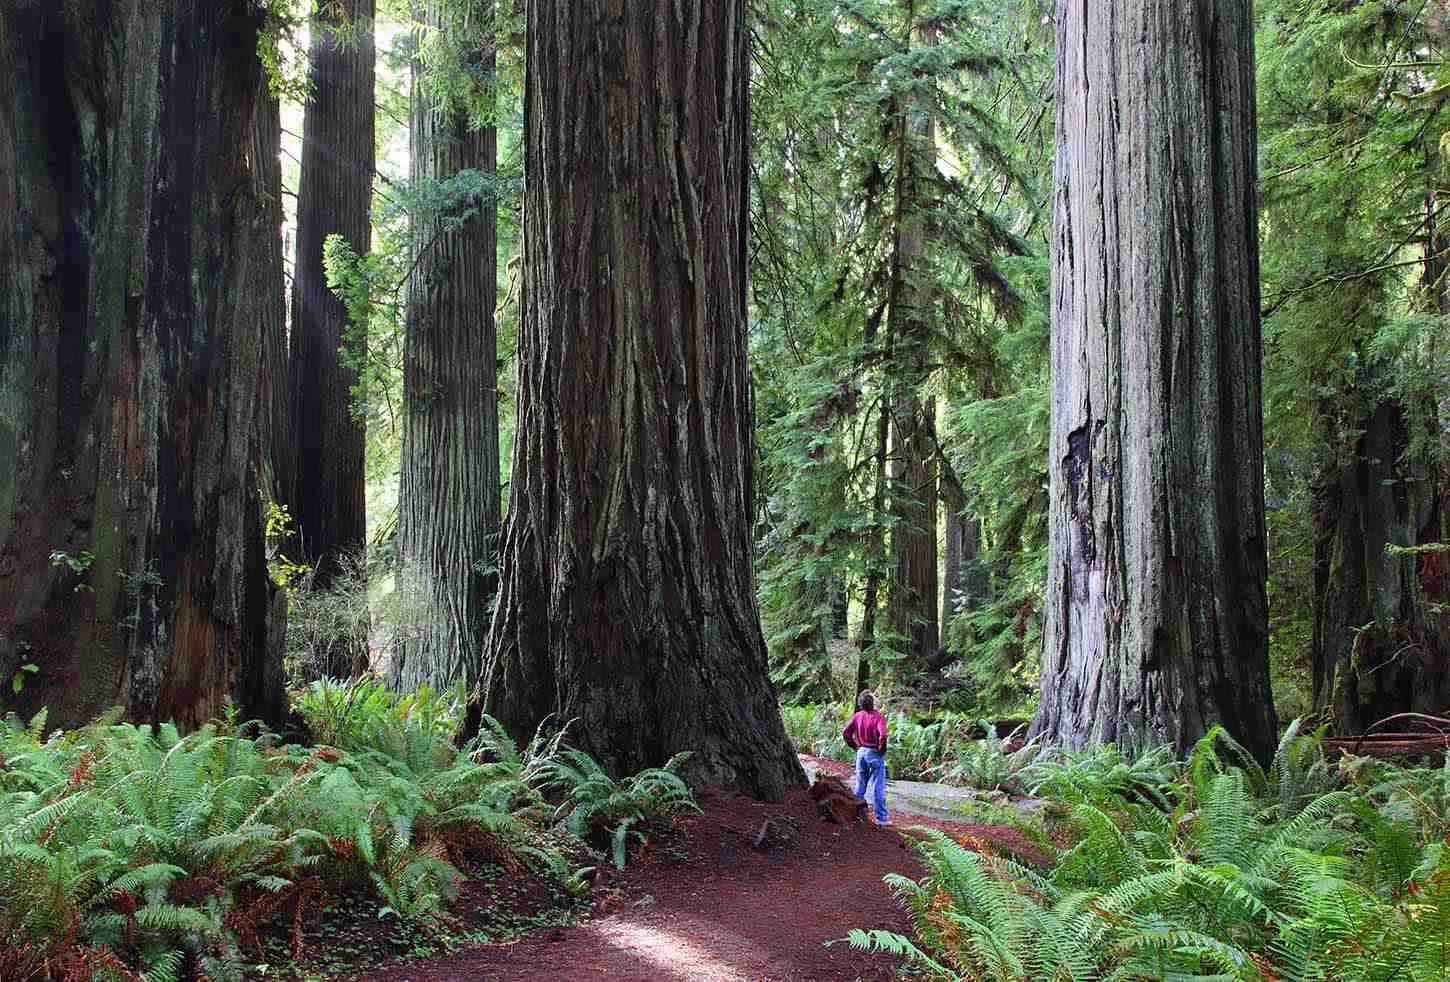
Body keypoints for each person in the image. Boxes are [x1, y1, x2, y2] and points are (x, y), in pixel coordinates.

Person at [842, 690, 890, 826]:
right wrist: (881, 750)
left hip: (861, 752)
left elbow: (846, 732)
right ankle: (881, 819)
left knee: (860, 785)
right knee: (878, 787)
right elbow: (883, 735)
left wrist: (854, 746)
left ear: (860, 704)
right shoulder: (879, 717)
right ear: (872, 703)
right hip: (874, 753)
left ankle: (856, 814)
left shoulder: (857, 716)